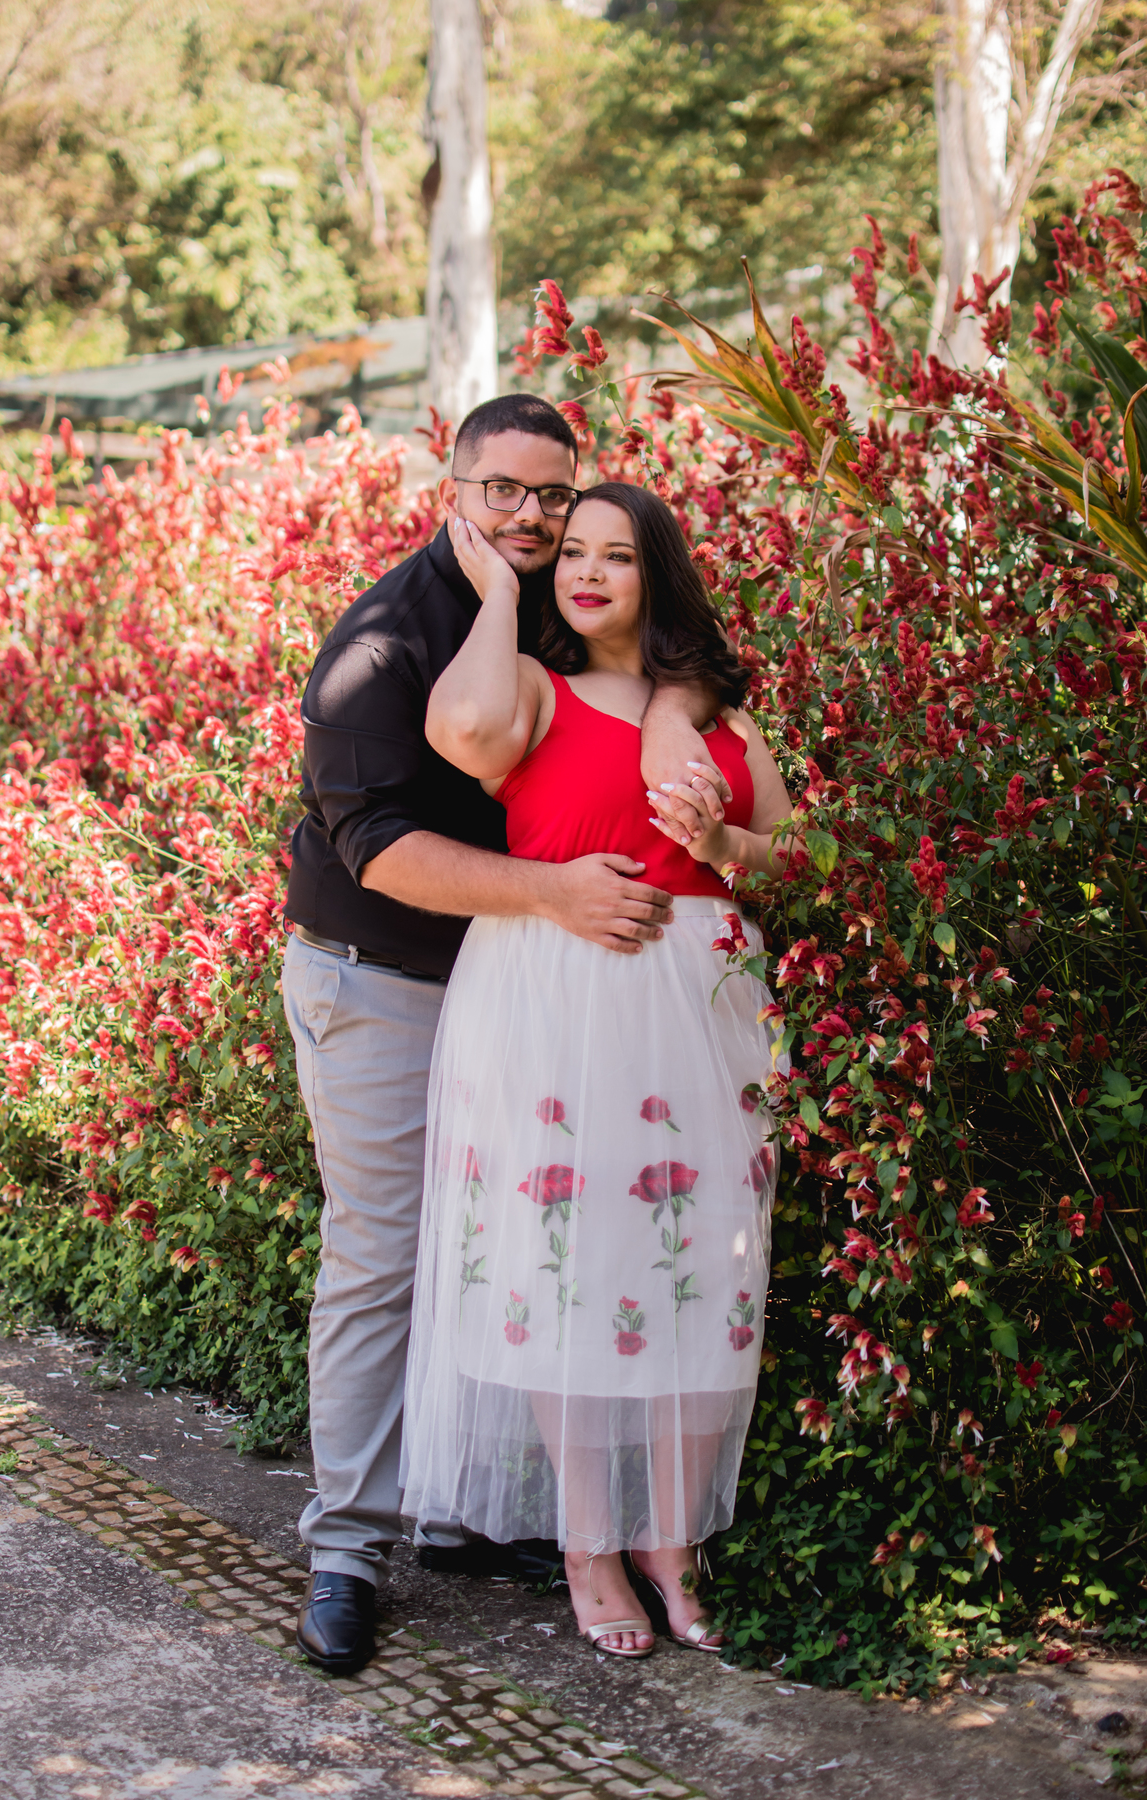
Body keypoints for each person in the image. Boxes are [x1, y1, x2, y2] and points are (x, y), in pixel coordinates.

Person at [281, 396, 732, 1675]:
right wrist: (556, 892)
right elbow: (378, 848)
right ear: (452, 487)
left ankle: (472, 1506)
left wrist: (666, 717)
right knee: (385, 1250)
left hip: (528, 983)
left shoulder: (555, 582)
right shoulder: (377, 643)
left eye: (552, 492)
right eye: (505, 491)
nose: (534, 517)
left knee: (529, 1240)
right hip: (381, 973)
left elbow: (675, 634)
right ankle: (349, 1548)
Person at [400, 480, 795, 1659]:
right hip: (552, 1003)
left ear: (655, 574)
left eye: (614, 557)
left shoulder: (720, 714)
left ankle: (671, 1542)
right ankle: (586, 1545)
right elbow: (464, 733)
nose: (585, 572)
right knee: (563, 1264)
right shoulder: (533, 686)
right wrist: (496, 594)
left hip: (703, 1006)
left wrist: (722, 842)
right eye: (568, 553)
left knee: (701, 1268)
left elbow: (798, 853)